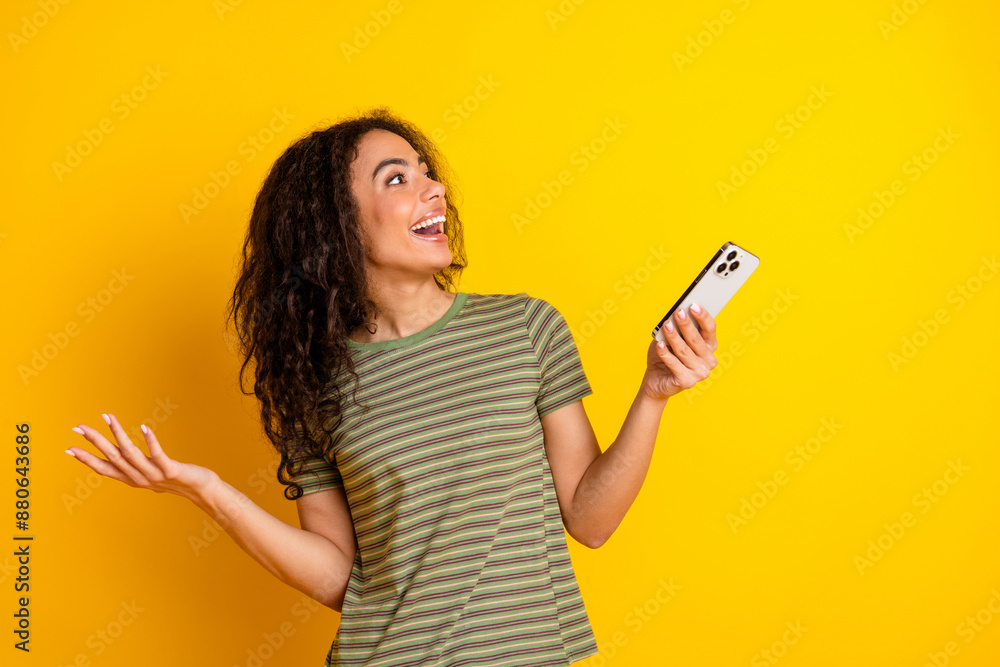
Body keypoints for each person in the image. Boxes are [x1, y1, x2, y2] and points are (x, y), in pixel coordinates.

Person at [65, 107, 720, 666]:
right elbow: (337, 576)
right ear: (336, 224)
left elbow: (590, 519)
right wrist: (209, 492)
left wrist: (653, 394)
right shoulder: (315, 381)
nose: (434, 189)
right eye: (397, 178)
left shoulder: (525, 327)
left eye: (427, 172)